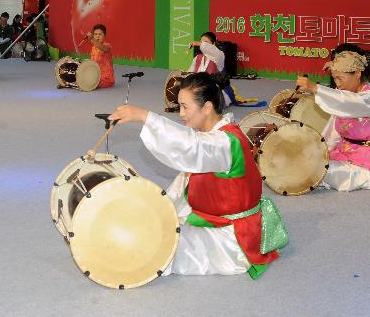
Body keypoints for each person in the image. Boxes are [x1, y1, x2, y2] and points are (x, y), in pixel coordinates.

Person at [108, 72, 287, 278]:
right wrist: (159, 209)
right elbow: (188, 175)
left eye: (185, 107)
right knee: (153, 223)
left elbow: (191, 146)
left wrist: (144, 117)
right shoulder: (214, 134)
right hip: (211, 214)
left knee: (159, 248)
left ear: (207, 107)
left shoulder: (224, 142)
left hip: (230, 235)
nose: (181, 113)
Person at [295, 48, 370, 191]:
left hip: (368, 163)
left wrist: (315, 88)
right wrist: (320, 151)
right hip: (345, 153)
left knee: (326, 172)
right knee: (309, 160)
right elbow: (333, 133)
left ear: (357, 74)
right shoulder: (346, 97)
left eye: (340, 78)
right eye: (334, 78)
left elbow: (346, 101)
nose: (337, 83)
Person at [85, 24, 114, 88]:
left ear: (104, 36)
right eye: (95, 34)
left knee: (89, 83)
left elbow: (102, 48)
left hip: (106, 78)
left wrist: (92, 39)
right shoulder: (93, 48)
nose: (97, 36)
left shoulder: (107, 46)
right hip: (95, 75)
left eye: (100, 34)